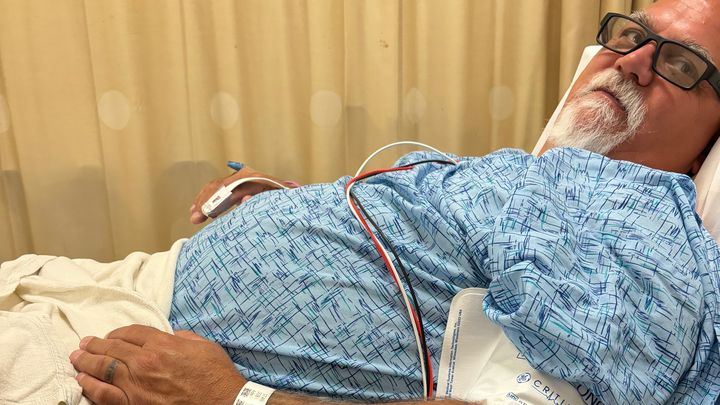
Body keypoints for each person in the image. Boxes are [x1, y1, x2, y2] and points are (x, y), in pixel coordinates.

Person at [66, 0, 720, 404]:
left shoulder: (650, 236)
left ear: (706, 151)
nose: (633, 61)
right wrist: (291, 205)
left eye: (682, 65)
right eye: (631, 35)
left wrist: (231, 398)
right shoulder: (546, 184)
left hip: (154, 360)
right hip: (145, 295)